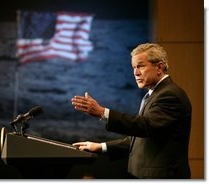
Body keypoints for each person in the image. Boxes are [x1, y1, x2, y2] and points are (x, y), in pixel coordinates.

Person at [71, 43, 192, 179]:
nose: (135, 73)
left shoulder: (170, 95)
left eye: (140, 66)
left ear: (159, 67)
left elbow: (146, 126)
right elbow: (138, 140)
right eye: (134, 67)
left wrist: (103, 113)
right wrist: (100, 147)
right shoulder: (154, 94)